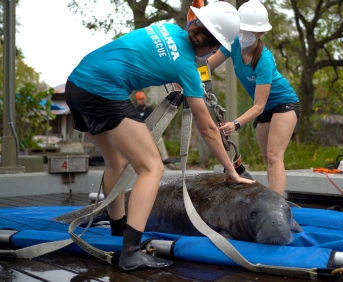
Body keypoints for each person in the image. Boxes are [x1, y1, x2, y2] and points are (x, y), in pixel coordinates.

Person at [65, 1, 255, 273]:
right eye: (215, 49)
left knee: (116, 163)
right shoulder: (187, 67)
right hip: (103, 90)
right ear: (212, 46)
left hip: (77, 84)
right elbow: (209, 129)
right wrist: (230, 168)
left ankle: (119, 233)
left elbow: (157, 57)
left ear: (194, 24)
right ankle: (130, 253)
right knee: (152, 167)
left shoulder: (166, 28)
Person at [208, 0, 300, 197]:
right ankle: (273, 199)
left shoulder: (263, 60)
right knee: (267, 158)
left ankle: (276, 205)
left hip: (284, 104)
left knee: (275, 156)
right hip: (265, 109)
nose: (243, 35)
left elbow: (259, 105)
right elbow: (208, 65)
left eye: (249, 32)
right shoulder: (232, 44)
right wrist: (184, 73)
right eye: (241, 29)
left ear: (260, 34)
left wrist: (236, 123)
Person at [134, 90, 174, 165]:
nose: (141, 101)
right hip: (141, 134)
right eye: (140, 99)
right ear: (137, 101)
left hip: (151, 131)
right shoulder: (136, 111)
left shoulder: (150, 109)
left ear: (145, 99)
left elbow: (156, 120)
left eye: (142, 99)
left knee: (160, 140)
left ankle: (165, 158)